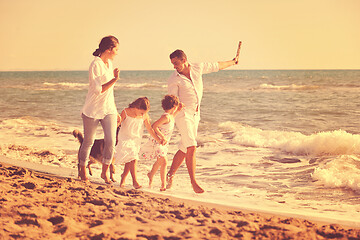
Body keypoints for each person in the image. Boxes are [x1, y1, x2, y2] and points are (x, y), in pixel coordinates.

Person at [167, 49, 239, 193]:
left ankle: (169, 175)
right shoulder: (174, 79)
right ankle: (193, 182)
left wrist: (232, 62)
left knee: (184, 147)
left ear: (184, 60)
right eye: (173, 64)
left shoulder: (197, 67)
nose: (174, 66)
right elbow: (172, 100)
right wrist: (176, 107)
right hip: (182, 115)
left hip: (195, 115)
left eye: (176, 63)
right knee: (192, 146)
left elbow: (216, 65)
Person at [78, 35, 120, 183]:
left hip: (108, 109)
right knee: (88, 141)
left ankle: (104, 172)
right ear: (109, 49)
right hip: (93, 109)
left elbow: (110, 93)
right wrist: (114, 79)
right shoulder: (95, 64)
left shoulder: (109, 63)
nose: (117, 52)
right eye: (116, 49)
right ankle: (83, 170)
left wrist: (115, 109)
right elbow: (98, 90)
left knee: (111, 141)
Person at [114, 97, 162, 189]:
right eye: (142, 112)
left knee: (130, 158)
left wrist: (158, 139)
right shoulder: (126, 111)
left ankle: (123, 177)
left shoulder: (144, 116)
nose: (144, 114)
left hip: (136, 139)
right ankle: (135, 181)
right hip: (124, 137)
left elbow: (150, 129)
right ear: (136, 107)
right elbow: (118, 124)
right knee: (133, 158)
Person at [141, 95, 184, 191]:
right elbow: (154, 126)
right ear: (174, 106)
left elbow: (173, 116)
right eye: (176, 107)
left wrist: (179, 109)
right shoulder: (165, 117)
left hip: (164, 143)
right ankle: (163, 185)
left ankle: (151, 174)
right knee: (164, 162)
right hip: (158, 142)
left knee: (159, 161)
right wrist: (162, 136)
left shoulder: (170, 116)